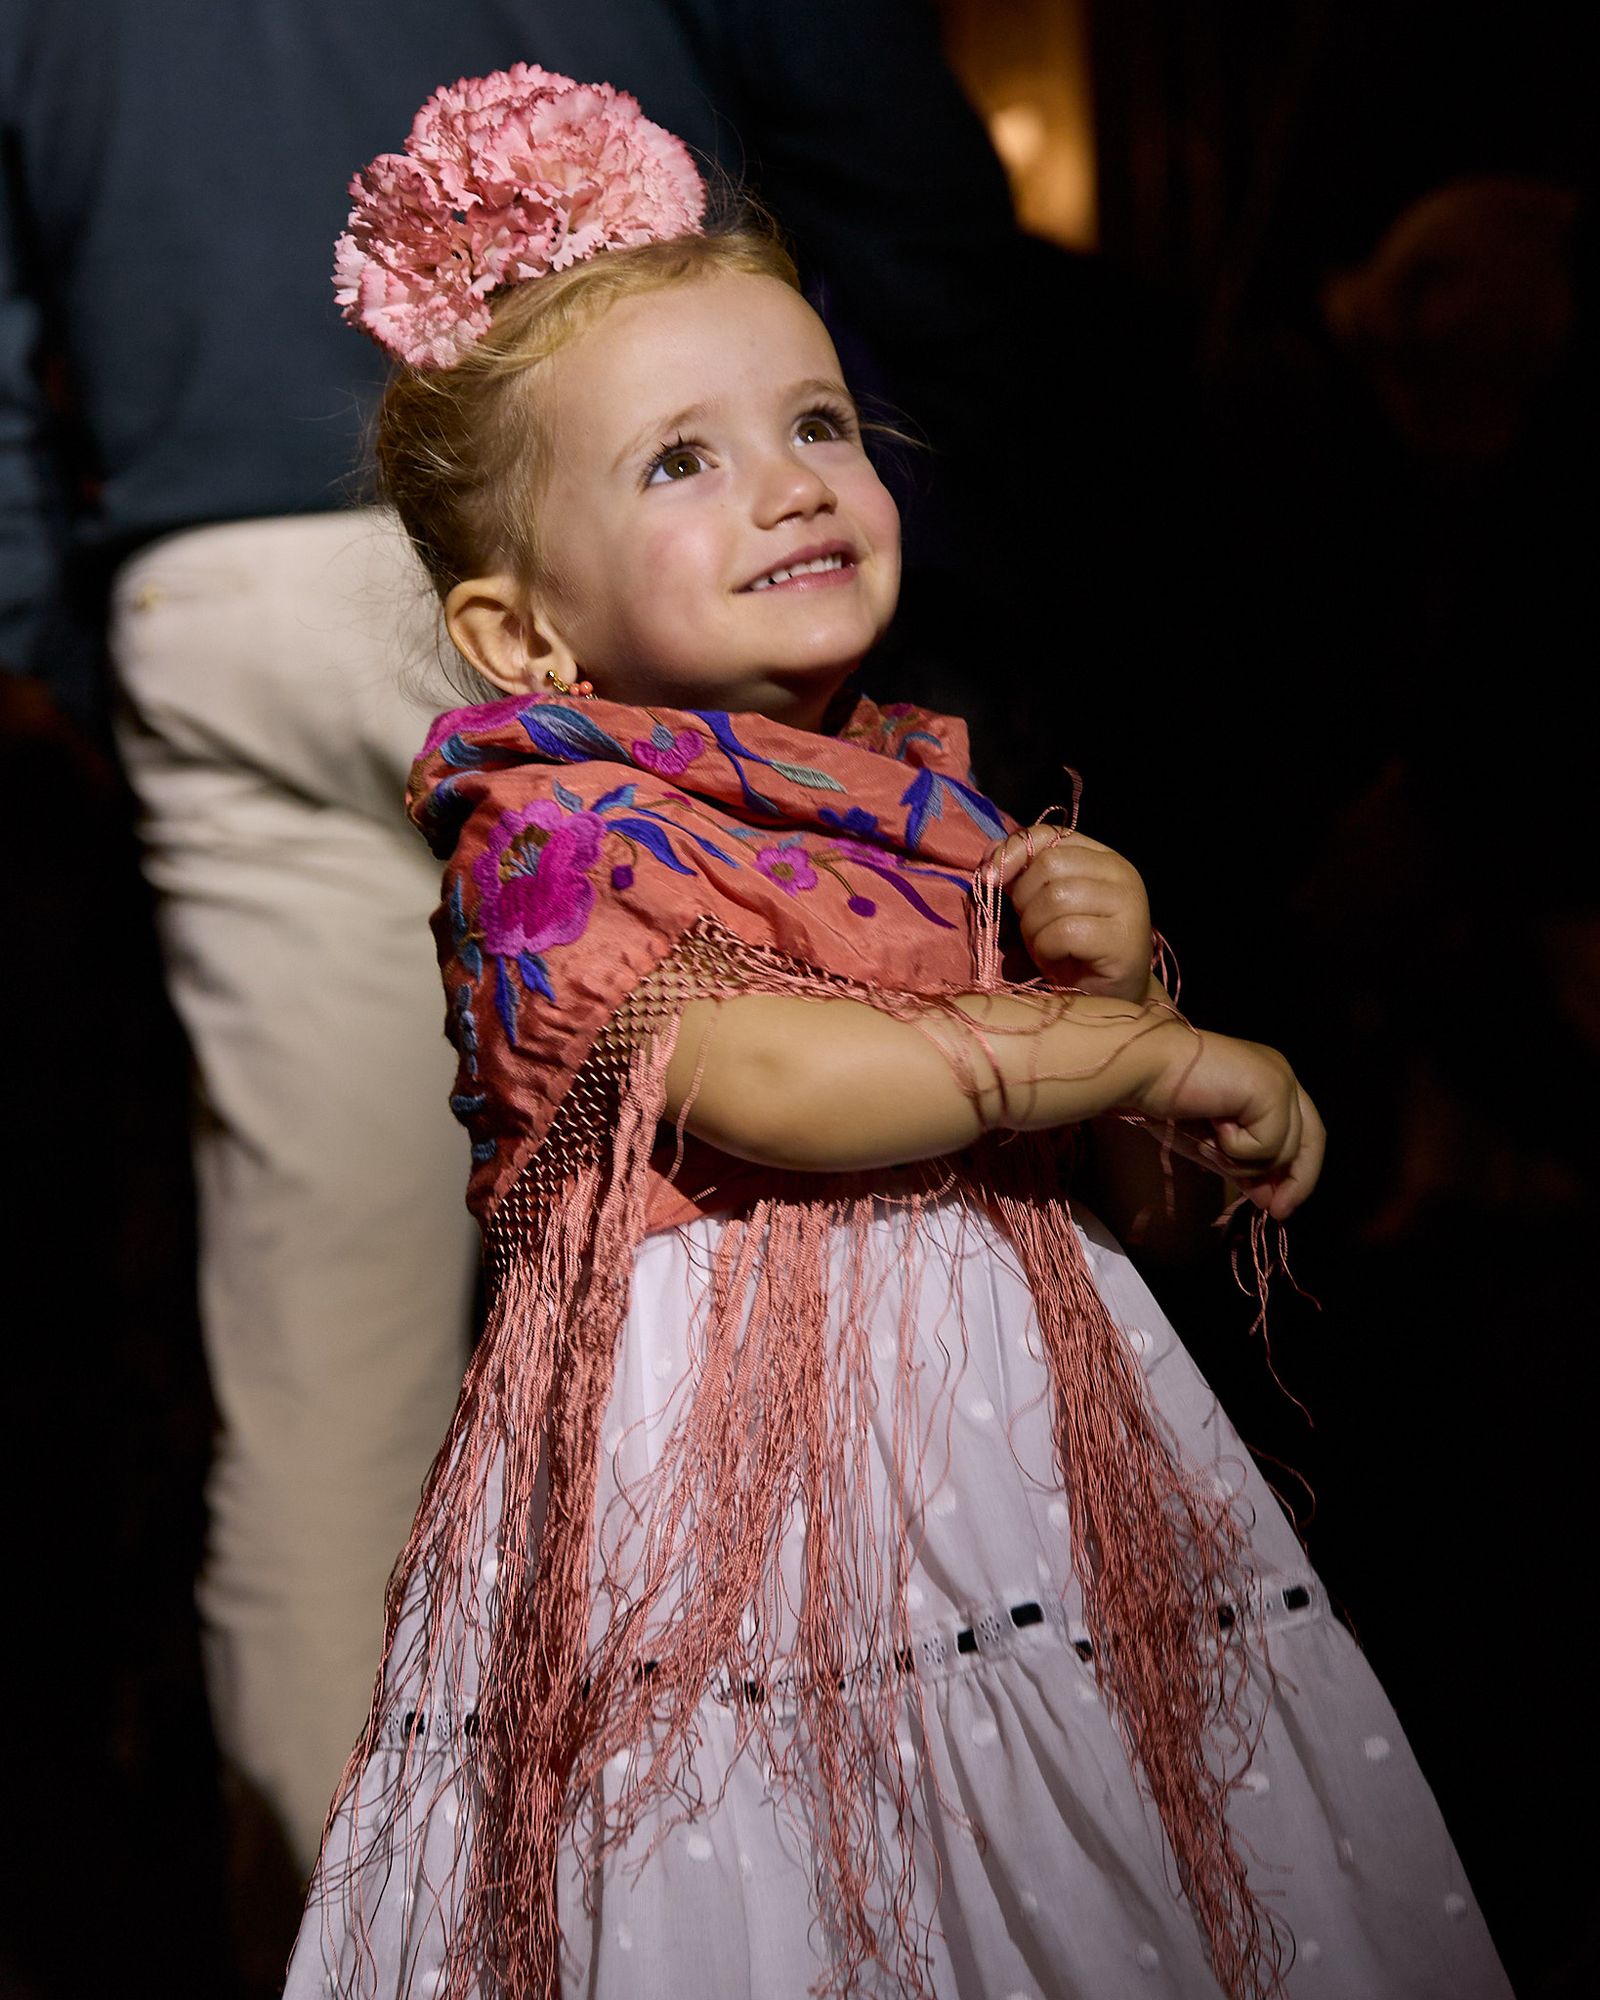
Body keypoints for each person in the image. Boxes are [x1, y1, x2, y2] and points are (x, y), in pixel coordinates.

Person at [286, 69, 1510, 2000]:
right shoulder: (555, 833)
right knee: (783, 1876)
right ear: (524, 640)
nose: (790, 480)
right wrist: (1141, 1057)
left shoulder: (929, 808)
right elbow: (781, 1085)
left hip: (1009, 1483)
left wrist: (1110, 993)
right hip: (733, 1541)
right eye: (678, 461)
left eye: (815, 421)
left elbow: (1123, 1229)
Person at [0, 0, 1029, 1918]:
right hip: (635, 499)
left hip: (220, 565)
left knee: (325, 1355)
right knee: (785, 1243)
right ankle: (833, 1889)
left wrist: (76, 628)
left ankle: (369, 1933)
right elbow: (885, 152)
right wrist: (948, 486)